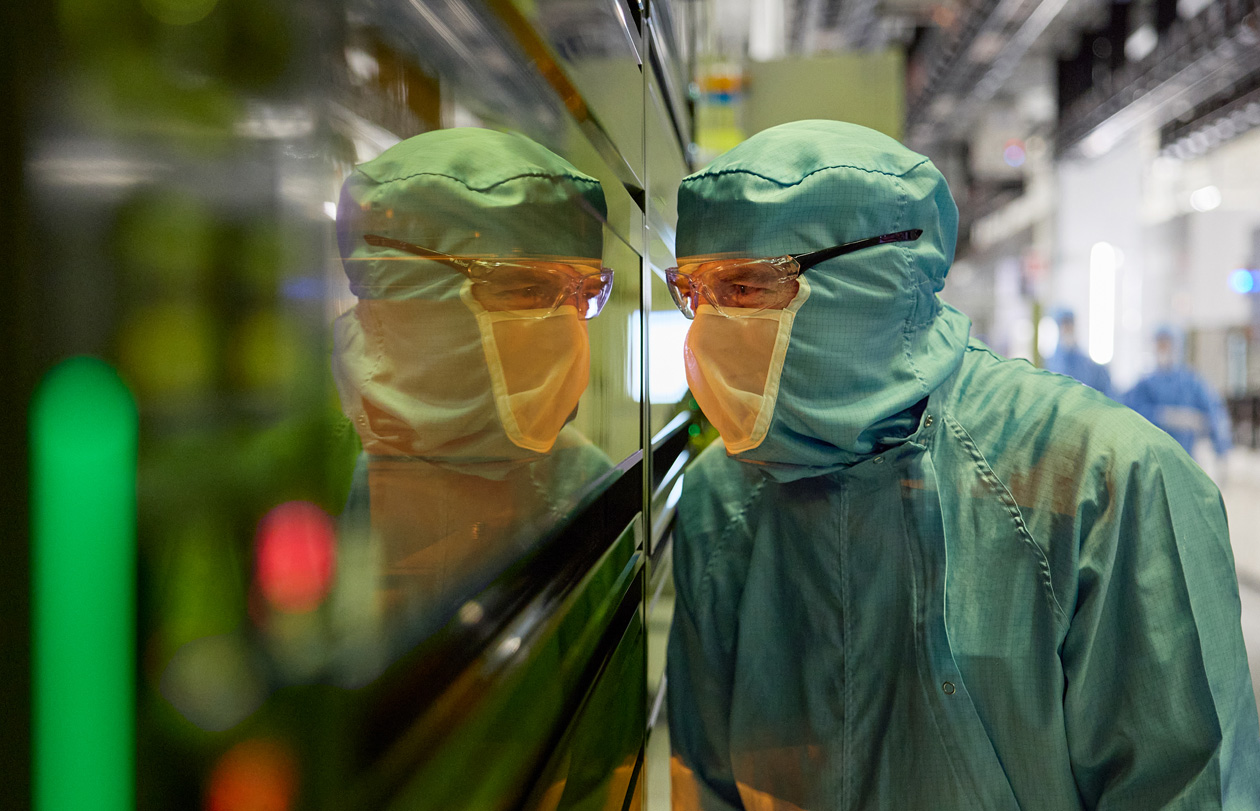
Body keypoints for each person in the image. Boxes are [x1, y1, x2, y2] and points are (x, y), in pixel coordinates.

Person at [664, 120, 1260, 810]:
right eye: (696, 294)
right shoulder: (720, 500)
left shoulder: (1106, 483)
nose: (709, 330)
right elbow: (707, 783)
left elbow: (1188, 788)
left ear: (873, 272)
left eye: (745, 288)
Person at [332, 128, 615, 650]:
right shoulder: (307, 471)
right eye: (527, 288)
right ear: (409, 292)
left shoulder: (584, 481)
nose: (567, 330)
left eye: (583, 294)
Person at [1124, 326, 1232, 460]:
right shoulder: (1145, 384)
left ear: (1176, 347)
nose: (1163, 349)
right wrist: (1164, 416)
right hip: (1153, 458)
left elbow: (1215, 412)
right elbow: (1130, 413)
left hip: (1187, 457)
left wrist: (1222, 450)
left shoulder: (1191, 381)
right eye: (1160, 345)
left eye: (1166, 344)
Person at [1043, 308, 1112, 397]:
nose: (1067, 328)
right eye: (1064, 324)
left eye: (1070, 324)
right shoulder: (1050, 364)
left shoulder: (1089, 366)